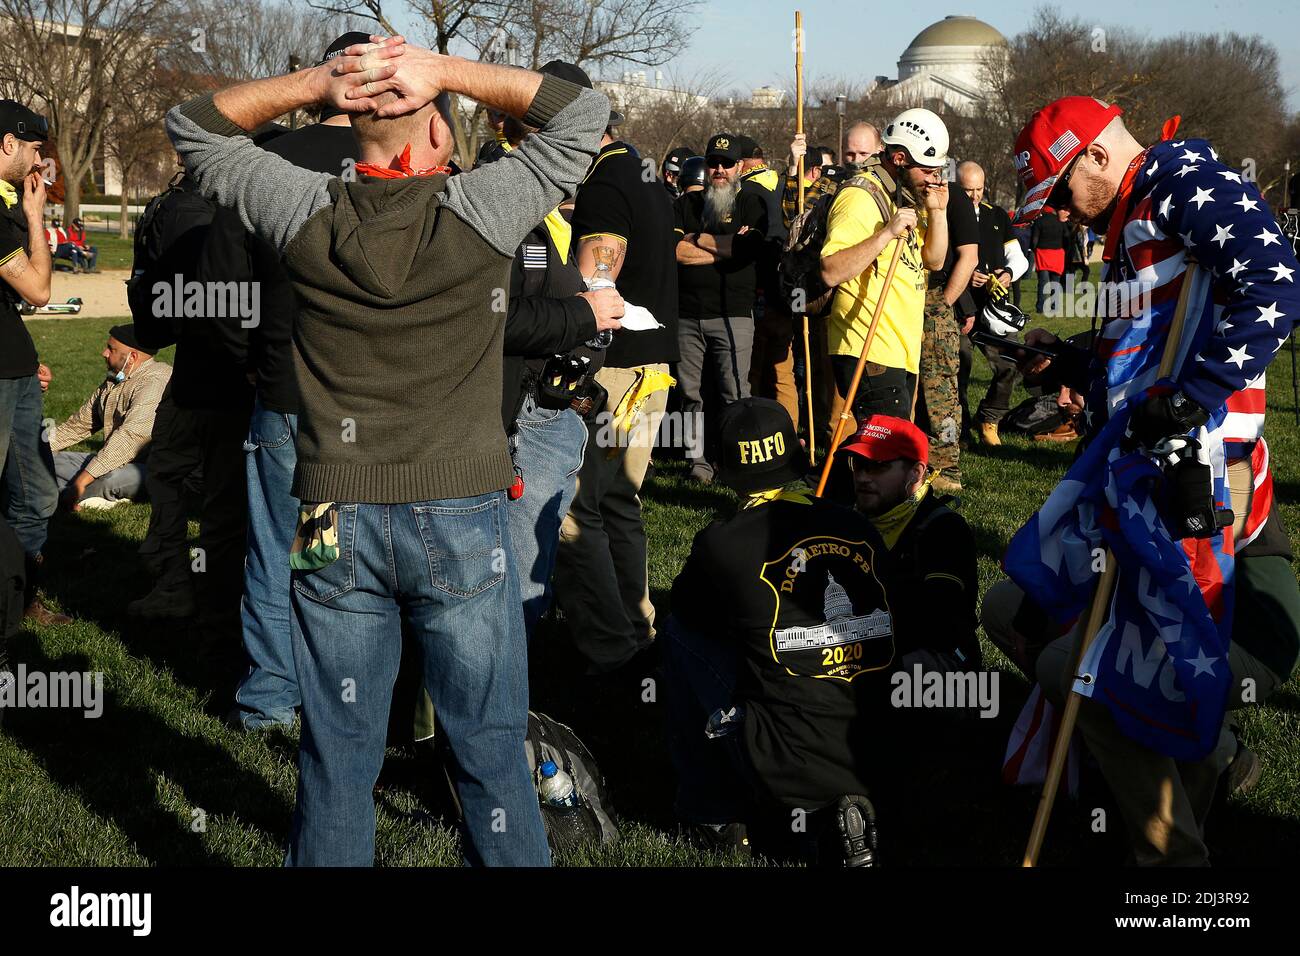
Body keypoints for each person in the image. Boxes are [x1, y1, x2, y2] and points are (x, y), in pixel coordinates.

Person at [167, 35, 610, 866]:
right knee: (487, 748)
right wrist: (439, 73)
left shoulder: (303, 212)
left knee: (336, 757)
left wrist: (318, 82)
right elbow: (581, 112)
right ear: (439, 136)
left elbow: (193, 126)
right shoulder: (482, 211)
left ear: (345, 126)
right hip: (460, 510)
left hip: (333, 515)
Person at [984, 95, 1300, 865]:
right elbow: (1148, 357)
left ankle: (1176, 865)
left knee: (1098, 677)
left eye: (1060, 192)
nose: (1064, 212)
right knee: (1017, 612)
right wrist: (1070, 361)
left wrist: (1189, 401)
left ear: (1094, 154)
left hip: (1203, 497)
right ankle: (1196, 772)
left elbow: (1278, 278)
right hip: (1155, 485)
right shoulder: (1137, 213)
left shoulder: (1176, 180)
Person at [664, 397, 893, 863]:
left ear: (725, 468)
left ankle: (711, 812)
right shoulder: (857, 525)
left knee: (677, 635)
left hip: (785, 757)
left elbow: (690, 613)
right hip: (879, 745)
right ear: (795, 451)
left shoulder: (721, 542)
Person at [219, 32, 366, 731]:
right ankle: (334, 693)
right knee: (335, 556)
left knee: (282, 549)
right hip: (366, 397)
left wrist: (253, 350)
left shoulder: (269, 162)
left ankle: (274, 697)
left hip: (286, 389)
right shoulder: (408, 166)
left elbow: (226, 284)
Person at [492, 60, 626, 639]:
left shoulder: (556, 209)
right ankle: (502, 693)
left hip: (554, 401)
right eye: (570, 134)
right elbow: (496, 319)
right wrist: (583, 315)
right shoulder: (506, 207)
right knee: (518, 566)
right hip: (522, 408)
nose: (584, 151)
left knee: (538, 550)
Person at [555, 77, 679, 678]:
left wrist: (577, 351)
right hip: (650, 364)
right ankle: (637, 627)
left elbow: (598, 281)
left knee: (580, 510)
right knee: (620, 503)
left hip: (615, 371)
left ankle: (609, 645)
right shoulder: (639, 168)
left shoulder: (606, 178)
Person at [818, 108, 949, 435]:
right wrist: (886, 234)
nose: (934, 179)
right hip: (868, 347)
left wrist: (938, 212)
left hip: (900, 349)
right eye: (928, 170)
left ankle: (835, 485)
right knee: (887, 456)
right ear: (901, 158)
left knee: (883, 456)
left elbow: (933, 261)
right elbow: (831, 270)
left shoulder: (901, 195)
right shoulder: (859, 196)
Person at [839, 414, 979, 674]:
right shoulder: (847, 521)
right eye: (857, 464)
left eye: (878, 466)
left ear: (916, 472)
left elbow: (937, 624)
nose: (862, 477)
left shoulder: (944, 530)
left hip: (938, 667)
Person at [0, 100, 66, 626]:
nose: (40, 162)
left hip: (16, 370)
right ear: (8, 144)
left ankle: (20, 600)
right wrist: (36, 216)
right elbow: (40, 290)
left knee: (37, 493)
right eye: (34, 150)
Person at [673, 132, 767, 483]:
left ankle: (735, 462)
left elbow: (746, 251)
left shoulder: (752, 203)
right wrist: (723, 246)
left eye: (727, 164)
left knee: (735, 393)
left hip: (734, 314)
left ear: (739, 166)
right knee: (689, 393)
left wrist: (695, 238)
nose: (719, 170)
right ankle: (697, 462)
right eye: (713, 163)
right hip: (687, 314)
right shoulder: (686, 204)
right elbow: (674, 252)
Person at [50, 324, 171, 510]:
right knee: (49, 461)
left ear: (132, 357)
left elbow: (130, 439)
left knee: (110, 478)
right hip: (115, 460)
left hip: (158, 469)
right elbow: (78, 425)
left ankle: (65, 496)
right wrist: (36, 449)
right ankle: (77, 494)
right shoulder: (115, 379)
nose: (104, 353)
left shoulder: (155, 382)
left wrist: (81, 481)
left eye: (111, 349)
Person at [915, 157, 978, 494]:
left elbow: (969, 256)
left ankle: (946, 466)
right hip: (901, 298)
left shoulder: (954, 197)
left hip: (935, 302)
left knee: (940, 392)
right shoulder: (901, 194)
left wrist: (946, 302)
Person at [958, 160, 1028, 447]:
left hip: (995, 307)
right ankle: (958, 428)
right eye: (967, 190)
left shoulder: (997, 214)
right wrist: (962, 275)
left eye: (979, 189)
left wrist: (1008, 273)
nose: (975, 196)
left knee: (1009, 365)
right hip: (959, 307)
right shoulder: (948, 215)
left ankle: (989, 418)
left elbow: (1019, 257)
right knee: (959, 366)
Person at [1029, 206, 1068, 314]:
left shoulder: (1039, 221)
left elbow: (1034, 239)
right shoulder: (1060, 222)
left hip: (1043, 253)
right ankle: (1055, 306)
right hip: (1057, 254)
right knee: (1055, 282)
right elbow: (1066, 236)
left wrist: (1034, 249)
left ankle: (1040, 307)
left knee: (1043, 282)